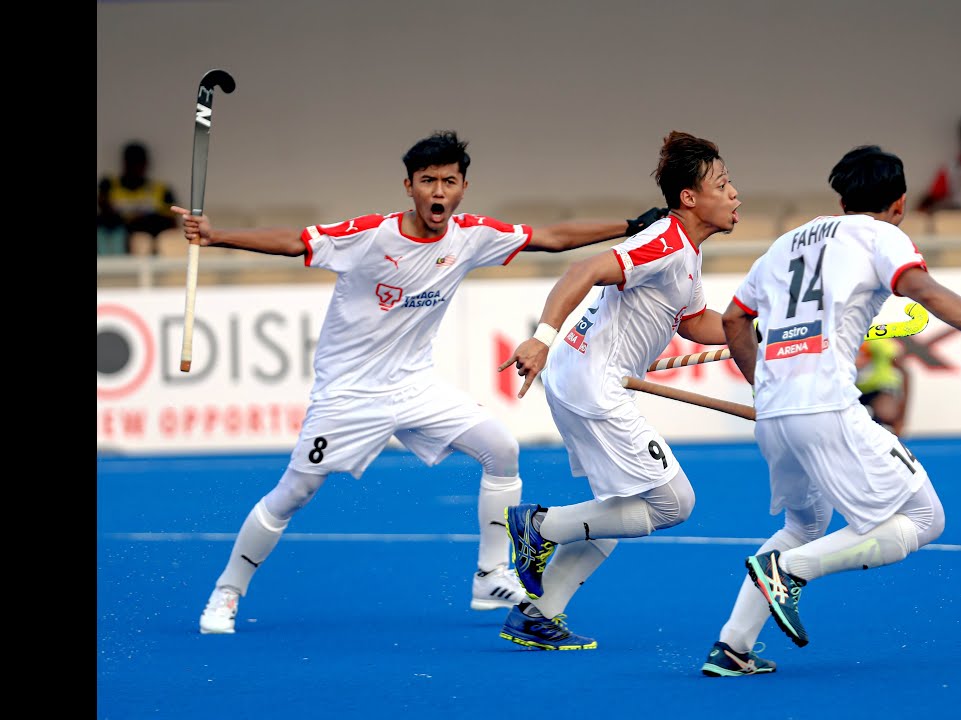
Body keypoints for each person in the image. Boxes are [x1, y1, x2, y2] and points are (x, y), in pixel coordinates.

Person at [171, 130, 668, 635]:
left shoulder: (471, 235)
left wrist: (632, 226)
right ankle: (227, 591)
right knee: (293, 493)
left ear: (463, 188)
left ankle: (490, 575)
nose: (438, 191)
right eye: (427, 181)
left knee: (501, 448)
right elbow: (295, 242)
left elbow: (553, 238)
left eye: (448, 182)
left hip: (414, 387)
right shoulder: (370, 234)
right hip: (348, 394)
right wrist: (216, 236)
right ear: (408, 186)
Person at [700, 145, 961, 677]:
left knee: (805, 522)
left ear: (842, 198)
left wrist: (765, 390)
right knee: (924, 518)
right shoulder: (880, 234)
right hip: (827, 407)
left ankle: (733, 646)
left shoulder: (782, 244)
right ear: (900, 202)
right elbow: (922, 290)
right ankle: (790, 570)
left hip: (775, 416)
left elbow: (734, 322)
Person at [494, 130, 740, 650]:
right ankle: (540, 526)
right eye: (722, 184)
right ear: (690, 197)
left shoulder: (686, 252)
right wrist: (541, 338)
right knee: (673, 503)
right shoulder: (664, 242)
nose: (735, 193)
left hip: (581, 379)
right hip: (593, 384)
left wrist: (754, 328)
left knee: (618, 507)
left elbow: (696, 322)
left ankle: (537, 615)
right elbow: (584, 269)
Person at [98, 141, 179, 255]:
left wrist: (143, 221)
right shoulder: (108, 184)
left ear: (145, 164)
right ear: (125, 163)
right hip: (115, 238)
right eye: (131, 162)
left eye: (139, 163)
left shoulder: (162, 189)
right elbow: (104, 213)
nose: (135, 168)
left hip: (148, 242)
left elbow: (172, 223)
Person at [855, 337, 910, 436]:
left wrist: (901, 418)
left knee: (885, 413)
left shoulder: (879, 342)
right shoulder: (839, 342)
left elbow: (905, 373)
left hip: (880, 388)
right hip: (853, 390)